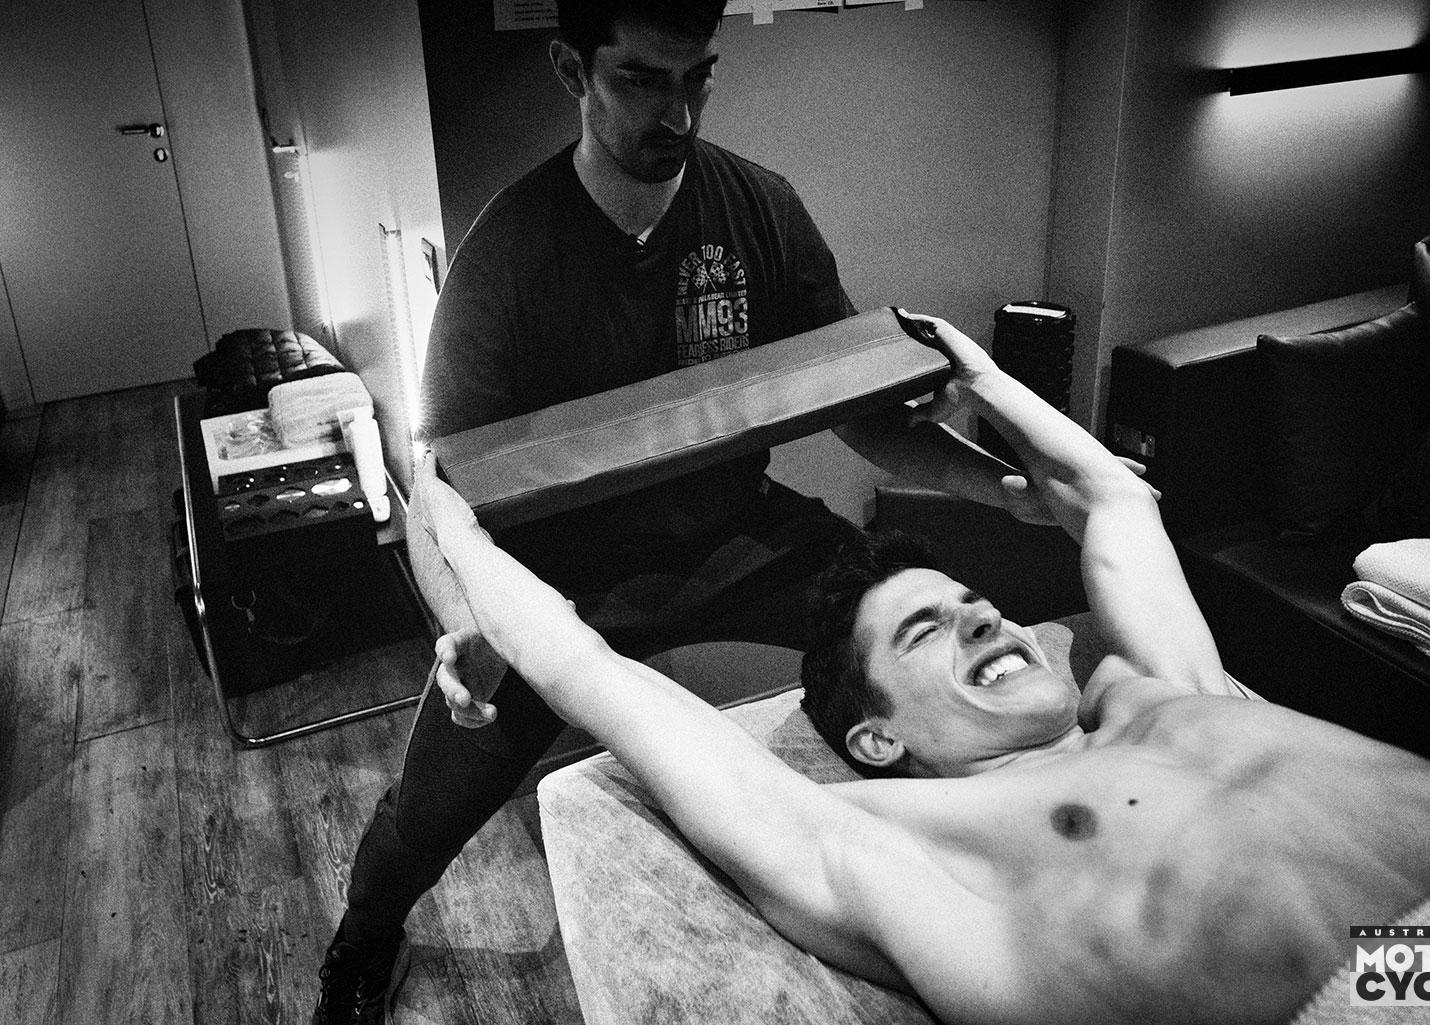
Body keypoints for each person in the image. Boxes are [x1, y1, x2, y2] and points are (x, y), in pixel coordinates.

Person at [416, 312, 1430, 1025]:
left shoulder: (1168, 693)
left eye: (973, 603)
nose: (984, 618)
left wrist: (982, 375)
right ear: (877, 737)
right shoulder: (895, 839)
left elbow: (1110, 498)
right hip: (1407, 1002)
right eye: (928, 631)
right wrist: (452, 528)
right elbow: (592, 669)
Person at [311, 3, 1045, 1021]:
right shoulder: (509, 253)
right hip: (558, 578)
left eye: (697, 76)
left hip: (739, 536)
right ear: (572, 68)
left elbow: (861, 411)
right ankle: (363, 937)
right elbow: (437, 485)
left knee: (902, 631)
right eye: (643, 80)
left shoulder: (760, 210)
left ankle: (979, 863)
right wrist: (465, 619)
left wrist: (1007, 489)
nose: (681, 113)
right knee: (430, 801)